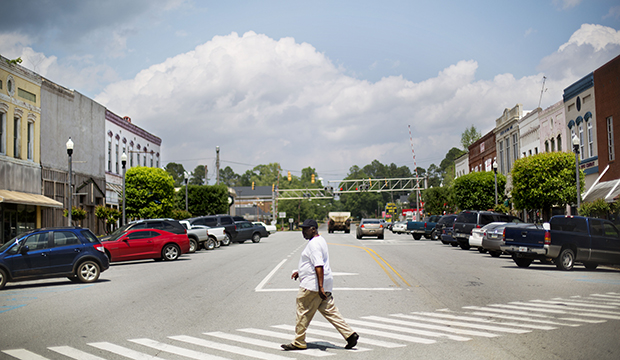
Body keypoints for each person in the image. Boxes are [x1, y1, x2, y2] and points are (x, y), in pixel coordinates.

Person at [281, 219, 359, 351]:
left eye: (305, 229)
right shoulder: (320, 240)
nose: (303, 232)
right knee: (330, 311)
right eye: (302, 229)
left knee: (303, 311)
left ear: (313, 229)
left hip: (312, 286)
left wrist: (320, 287)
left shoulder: (314, 244)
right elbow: (313, 264)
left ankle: (299, 341)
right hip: (323, 283)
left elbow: (318, 265)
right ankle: (350, 335)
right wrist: (300, 272)